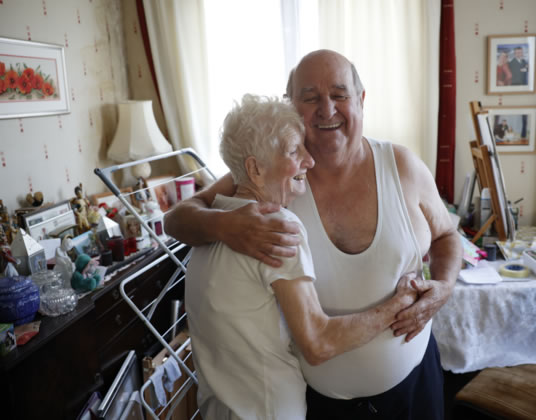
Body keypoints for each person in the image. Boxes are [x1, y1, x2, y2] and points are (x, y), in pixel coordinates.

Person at [165, 50, 462, 419]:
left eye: (339, 95)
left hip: (414, 389)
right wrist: (227, 225)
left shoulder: (402, 166)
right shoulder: (277, 176)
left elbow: (448, 237)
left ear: (361, 100)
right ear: (292, 106)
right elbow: (177, 219)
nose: (327, 110)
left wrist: (445, 286)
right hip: (319, 405)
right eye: (310, 98)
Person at [186, 94, 420, 419]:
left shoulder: (207, 230)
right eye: (294, 151)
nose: (309, 161)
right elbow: (318, 343)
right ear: (255, 168)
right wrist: (398, 305)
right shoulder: (276, 227)